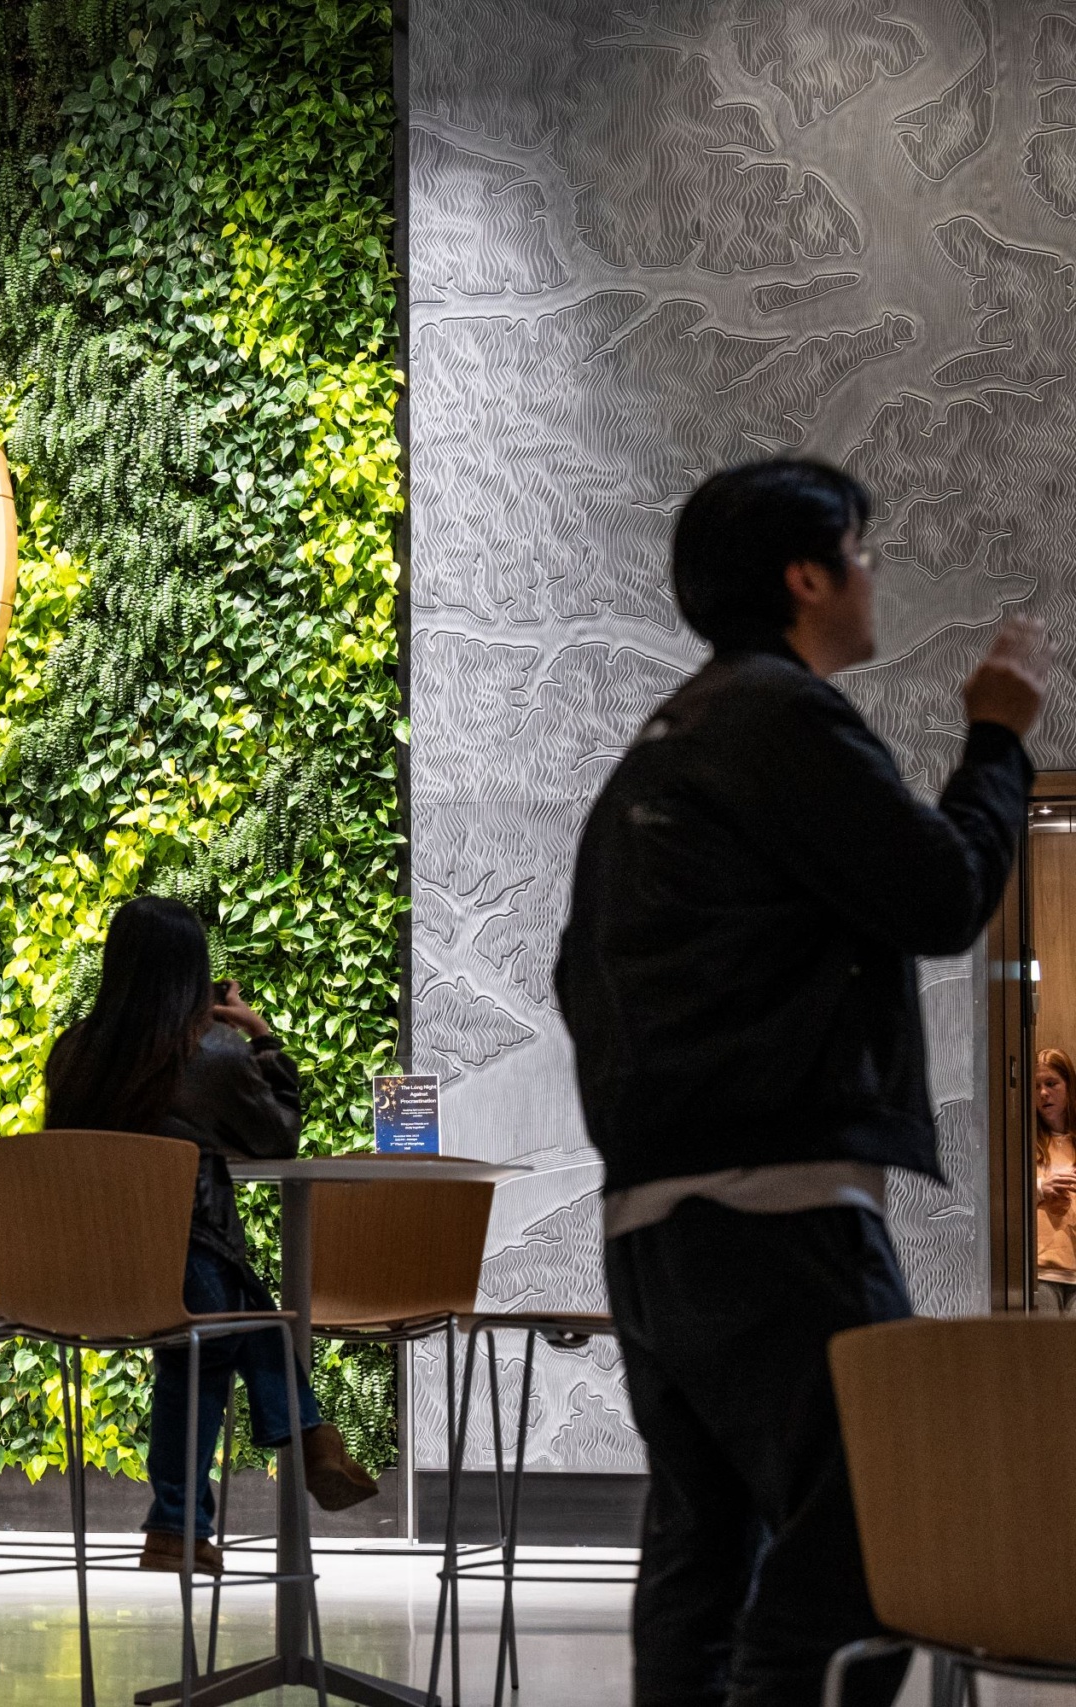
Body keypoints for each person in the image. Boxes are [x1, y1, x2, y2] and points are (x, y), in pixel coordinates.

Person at [554, 458, 1046, 1707]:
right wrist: (994, 739)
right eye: (863, 552)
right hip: (777, 1217)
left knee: (701, 1560)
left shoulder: (659, 750)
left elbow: (576, 974)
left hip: (654, 1228)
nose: (874, 575)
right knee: (873, 1536)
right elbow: (938, 894)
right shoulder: (783, 718)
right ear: (805, 576)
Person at [44, 894, 379, 1577]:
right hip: (180, 1279)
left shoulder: (74, 1052)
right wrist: (262, 1037)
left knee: (213, 1322)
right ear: (194, 975)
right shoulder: (211, 1052)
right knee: (220, 1303)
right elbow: (279, 1134)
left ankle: (179, 1523)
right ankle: (305, 1432)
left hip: (72, 1276)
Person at [1039, 1048, 1076, 1315]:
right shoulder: (1023, 1143)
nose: (1043, 1093)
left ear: (1069, 1087)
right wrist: (1042, 1188)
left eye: (1051, 1084)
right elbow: (1005, 1196)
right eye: (1036, 1086)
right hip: (1041, 1271)